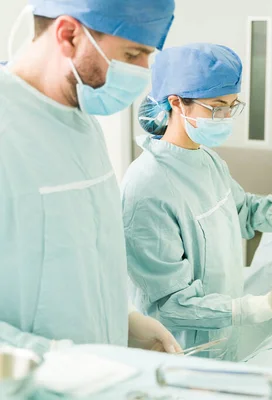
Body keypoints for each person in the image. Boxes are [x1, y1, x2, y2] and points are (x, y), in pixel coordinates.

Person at [0, 0, 182, 356]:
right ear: (68, 34)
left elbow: (83, 259)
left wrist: (123, 319)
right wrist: (54, 360)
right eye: (132, 55)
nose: (143, 72)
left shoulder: (83, 122)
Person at [122, 43, 272, 361]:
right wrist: (260, 306)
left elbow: (240, 212)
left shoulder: (208, 161)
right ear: (176, 102)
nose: (226, 117)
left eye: (232, 106)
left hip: (222, 337)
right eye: (217, 108)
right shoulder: (147, 187)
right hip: (179, 351)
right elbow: (171, 302)